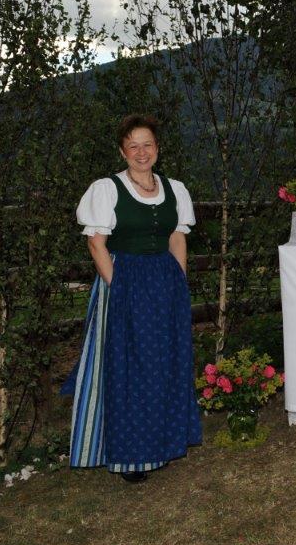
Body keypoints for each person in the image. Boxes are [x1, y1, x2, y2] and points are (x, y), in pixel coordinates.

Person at [63, 114, 202, 483]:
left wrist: (178, 281)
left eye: (147, 145)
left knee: (166, 364)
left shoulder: (174, 189)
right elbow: (96, 244)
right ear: (122, 151)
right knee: (130, 368)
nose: (142, 152)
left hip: (164, 283)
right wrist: (118, 286)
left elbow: (176, 236)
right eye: (133, 146)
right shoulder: (107, 189)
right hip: (124, 279)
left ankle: (162, 443)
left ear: (157, 148)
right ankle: (132, 458)